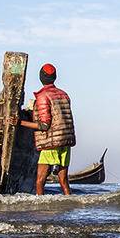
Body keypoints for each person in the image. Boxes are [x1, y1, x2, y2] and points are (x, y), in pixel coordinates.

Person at [15, 63, 75, 195]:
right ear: (54, 77)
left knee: (40, 181)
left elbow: (44, 125)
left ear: (41, 77)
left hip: (51, 143)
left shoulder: (43, 96)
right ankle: (69, 206)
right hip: (65, 141)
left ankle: (41, 209)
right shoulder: (64, 95)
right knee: (64, 181)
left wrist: (20, 122)